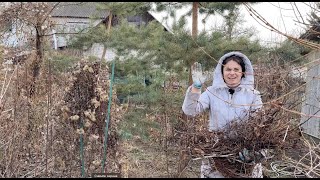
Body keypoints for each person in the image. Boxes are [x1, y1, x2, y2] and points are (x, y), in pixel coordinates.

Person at [182, 51, 263, 178]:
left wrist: (253, 151)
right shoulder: (211, 92)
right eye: (228, 69)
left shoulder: (253, 95)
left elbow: (260, 125)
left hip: (243, 155)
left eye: (236, 69)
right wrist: (196, 87)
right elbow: (190, 111)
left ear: (243, 72)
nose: (232, 73)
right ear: (222, 72)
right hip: (217, 154)